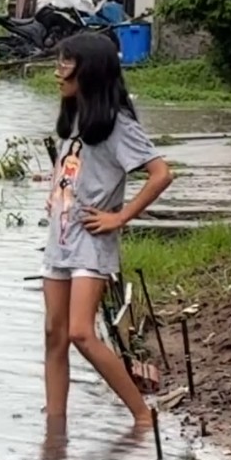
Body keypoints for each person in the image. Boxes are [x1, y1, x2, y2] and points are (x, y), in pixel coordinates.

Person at [42, 33, 173, 431]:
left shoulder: (117, 125)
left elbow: (160, 174)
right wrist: (53, 192)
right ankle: (55, 428)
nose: (58, 72)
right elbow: (70, 165)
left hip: (91, 242)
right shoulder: (75, 116)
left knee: (82, 333)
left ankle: (141, 416)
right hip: (59, 238)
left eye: (66, 65)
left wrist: (120, 217)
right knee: (54, 334)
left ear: (91, 72)